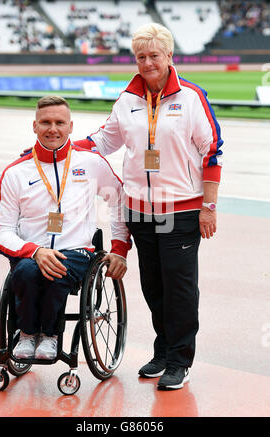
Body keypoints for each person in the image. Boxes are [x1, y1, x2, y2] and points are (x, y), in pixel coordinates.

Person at [74, 23, 224, 390]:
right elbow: (103, 141)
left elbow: (212, 151)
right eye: (141, 57)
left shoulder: (190, 97)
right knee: (154, 286)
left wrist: (209, 206)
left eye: (154, 55)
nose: (147, 63)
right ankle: (163, 350)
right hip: (140, 211)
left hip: (182, 210)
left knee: (180, 287)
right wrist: (60, 148)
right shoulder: (127, 100)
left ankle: (180, 360)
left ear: (169, 56)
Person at [0, 96, 131, 361]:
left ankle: (50, 336)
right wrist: (33, 251)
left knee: (59, 268)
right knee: (29, 270)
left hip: (78, 253)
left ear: (70, 126)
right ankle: (28, 334)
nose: (52, 128)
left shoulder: (91, 163)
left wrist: (119, 248)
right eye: (45, 122)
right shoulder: (15, 172)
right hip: (31, 255)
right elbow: (1, 231)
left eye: (59, 122)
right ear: (35, 126)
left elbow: (120, 201)